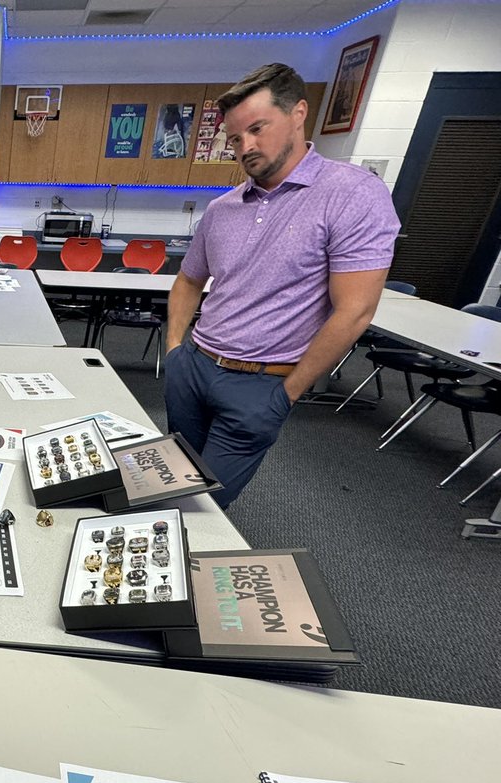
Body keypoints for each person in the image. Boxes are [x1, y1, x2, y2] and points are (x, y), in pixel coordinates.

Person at [163, 63, 400, 508]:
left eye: (257, 128)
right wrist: (176, 350)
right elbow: (189, 279)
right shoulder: (222, 208)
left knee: (200, 507)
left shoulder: (352, 194)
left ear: (298, 114)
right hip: (192, 368)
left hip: (261, 384)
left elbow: (355, 311)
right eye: (235, 139)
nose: (246, 147)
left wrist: (288, 393)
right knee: (169, 482)